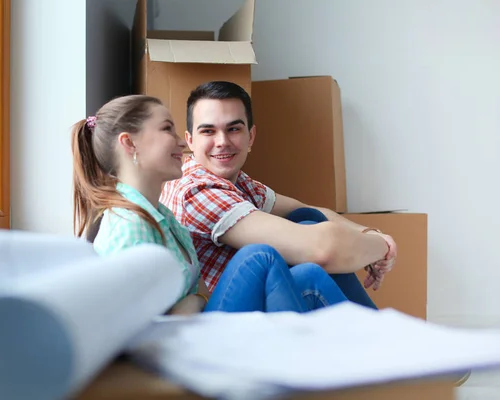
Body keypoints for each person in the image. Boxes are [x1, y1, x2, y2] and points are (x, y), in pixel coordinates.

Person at [71, 94, 349, 315]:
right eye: (167, 128)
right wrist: (189, 306)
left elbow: (199, 292)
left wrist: (194, 301)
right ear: (129, 143)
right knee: (259, 256)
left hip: (200, 318)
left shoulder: (160, 214)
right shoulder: (131, 227)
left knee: (307, 262)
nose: (182, 142)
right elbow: (133, 332)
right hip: (181, 344)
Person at [160, 81, 398, 309]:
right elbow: (323, 249)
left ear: (250, 136)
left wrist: (370, 233)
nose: (222, 142)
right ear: (190, 140)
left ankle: (375, 336)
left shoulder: (237, 182)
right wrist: (382, 248)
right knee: (309, 274)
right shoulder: (197, 191)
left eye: (233, 129)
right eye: (208, 131)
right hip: (217, 318)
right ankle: (382, 341)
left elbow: (308, 210)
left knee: (306, 218)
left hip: (248, 303)